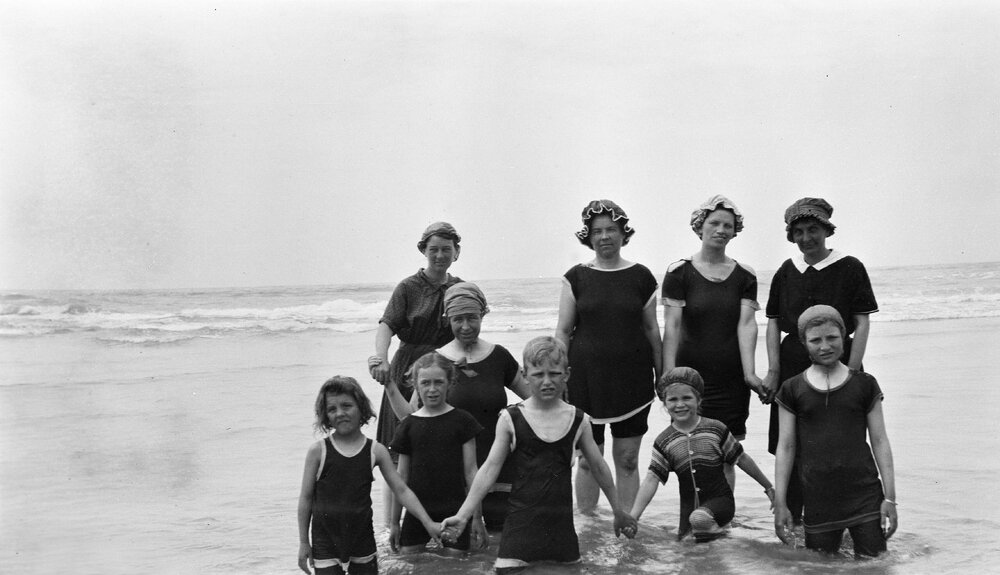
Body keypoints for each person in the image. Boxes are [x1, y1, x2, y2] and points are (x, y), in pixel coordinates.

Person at [440, 336, 637, 574]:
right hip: (519, 532)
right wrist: (463, 515)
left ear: (567, 374)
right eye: (538, 375)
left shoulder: (579, 419)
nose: (547, 381)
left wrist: (618, 511)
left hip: (561, 533)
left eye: (554, 374)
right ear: (524, 375)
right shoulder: (510, 418)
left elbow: (598, 466)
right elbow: (489, 468)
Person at [761, 198, 879, 522]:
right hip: (792, 367)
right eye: (798, 231)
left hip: (841, 365)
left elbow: (863, 321)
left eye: (813, 229)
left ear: (826, 229)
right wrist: (773, 372)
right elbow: (772, 322)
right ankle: (795, 521)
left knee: (843, 444)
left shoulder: (850, 267)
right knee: (791, 445)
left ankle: (843, 519)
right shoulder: (786, 273)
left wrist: (852, 374)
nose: (805, 238)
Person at [383, 282, 531, 530]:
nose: (465, 326)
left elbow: (532, 400)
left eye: (472, 318)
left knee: (497, 540)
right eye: (458, 319)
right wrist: (389, 385)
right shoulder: (436, 361)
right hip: (452, 473)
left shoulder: (499, 356)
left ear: (482, 314)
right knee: (454, 547)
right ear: (447, 320)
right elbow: (410, 417)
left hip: (498, 466)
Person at [555, 199, 662, 513]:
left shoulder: (641, 277)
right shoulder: (575, 277)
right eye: (597, 230)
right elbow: (562, 331)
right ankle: (588, 529)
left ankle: (629, 527)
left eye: (611, 229)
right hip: (584, 382)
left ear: (623, 233)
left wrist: (662, 374)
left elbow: (653, 331)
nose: (604, 236)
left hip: (633, 381)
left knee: (627, 460)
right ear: (588, 236)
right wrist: (560, 375)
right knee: (588, 461)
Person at [773, 305, 897, 557]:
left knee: (875, 566)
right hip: (818, 498)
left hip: (865, 495)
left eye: (832, 338)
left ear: (844, 337)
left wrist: (891, 498)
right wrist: (781, 503)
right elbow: (785, 447)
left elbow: (880, 440)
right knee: (820, 567)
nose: (824, 346)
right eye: (815, 340)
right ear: (803, 344)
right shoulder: (791, 389)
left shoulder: (865, 384)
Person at [661, 195, 763, 489]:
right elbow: (673, 325)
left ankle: (724, 520)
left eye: (727, 225)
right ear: (699, 227)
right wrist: (669, 376)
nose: (721, 230)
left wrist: (750, 374)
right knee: (691, 453)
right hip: (690, 380)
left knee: (726, 454)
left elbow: (746, 324)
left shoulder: (746, 275)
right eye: (714, 223)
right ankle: (695, 520)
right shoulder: (679, 271)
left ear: (734, 231)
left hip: (731, 379)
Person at [297, 376, 441, 575]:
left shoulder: (376, 450)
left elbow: (401, 490)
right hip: (325, 542)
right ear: (325, 415)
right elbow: (305, 499)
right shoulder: (318, 451)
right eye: (332, 409)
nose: (340, 413)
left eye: (347, 405)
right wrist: (304, 542)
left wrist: (427, 522)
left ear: (361, 407)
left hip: (362, 540)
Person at [368, 222, 463, 521]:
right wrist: (380, 358)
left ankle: (437, 519)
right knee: (397, 452)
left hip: (443, 370)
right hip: (407, 367)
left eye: (446, 250)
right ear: (424, 251)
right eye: (433, 249)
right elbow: (387, 326)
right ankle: (389, 526)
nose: (439, 255)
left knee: (441, 447)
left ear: (456, 252)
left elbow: (468, 328)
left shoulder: (460, 287)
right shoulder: (408, 287)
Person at [625, 368, 774, 543]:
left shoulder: (715, 429)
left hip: (721, 503)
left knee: (699, 519)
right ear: (665, 404)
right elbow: (651, 479)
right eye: (672, 399)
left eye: (686, 398)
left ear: (699, 399)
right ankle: (722, 543)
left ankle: (720, 537)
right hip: (688, 512)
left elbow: (742, 459)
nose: (679, 404)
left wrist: (769, 488)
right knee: (688, 545)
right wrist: (633, 517)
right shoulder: (664, 441)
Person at [389, 352, 484, 554]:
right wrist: (395, 522)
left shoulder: (463, 421)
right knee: (410, 561)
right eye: (425, 383)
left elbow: (471, 473)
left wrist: (476, 518)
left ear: (450, 382)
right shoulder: (407, 426)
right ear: (415, 384)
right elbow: (401, 479)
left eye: (439, 382)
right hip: (417, 512)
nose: (432, 389)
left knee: (456, 564)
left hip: (456, 510)